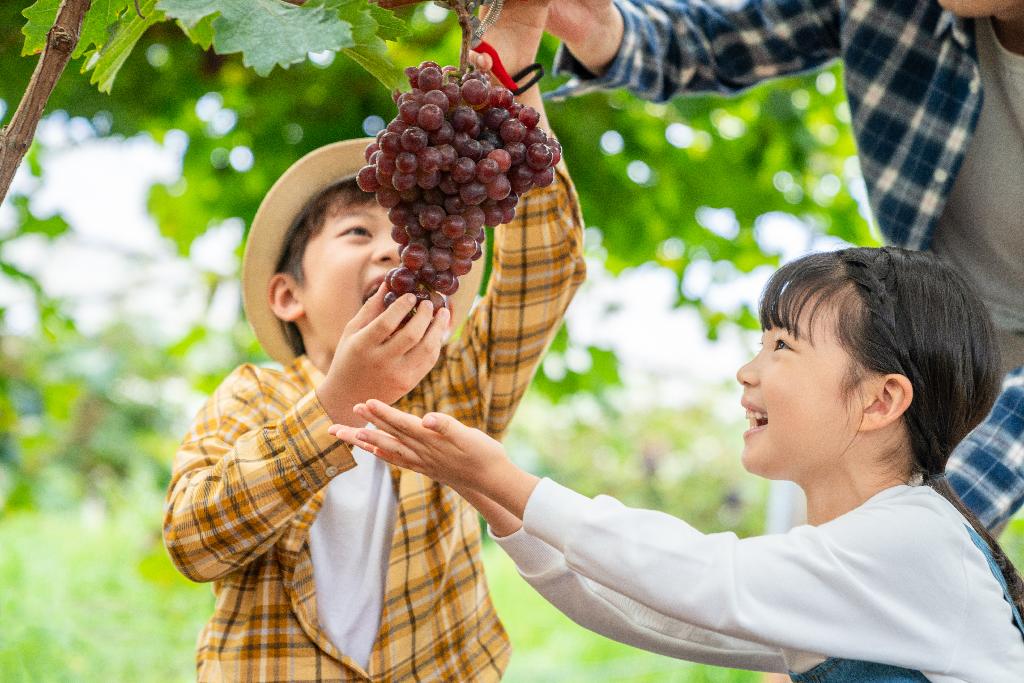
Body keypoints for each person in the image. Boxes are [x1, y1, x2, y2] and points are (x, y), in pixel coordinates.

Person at [330, 246, 1024, 681]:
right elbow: (659, 615)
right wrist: (496, 502)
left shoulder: (912, 541)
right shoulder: (864, 555)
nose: (747, 372)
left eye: (782, 346)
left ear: (880, 401)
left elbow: (698, 575)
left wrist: (510, 480)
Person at [160, 9, 587, 679]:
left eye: (405, 234)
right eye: (357, 233)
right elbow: (194, 540)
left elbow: (547, 266)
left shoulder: (456, 386)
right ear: (286, 296)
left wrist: (513, 81)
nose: (392, 247)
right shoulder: (251, 396)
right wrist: (338, 404)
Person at [536, 0, 1024, 529]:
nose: (747, 374)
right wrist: (605, 30)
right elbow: (712, 40)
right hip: (943, 357)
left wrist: (936, 520)